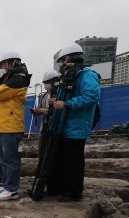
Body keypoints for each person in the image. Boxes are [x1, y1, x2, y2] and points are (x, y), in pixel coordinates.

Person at [48, 43, 101, 202]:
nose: (63, 64)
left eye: (64, 60)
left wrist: (67, 104)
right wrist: (56, 101)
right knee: (64, 160)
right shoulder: (71, 76)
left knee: (73, 161)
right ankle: (62, 188)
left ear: (73, 58)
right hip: (65, 126)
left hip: (76, 127)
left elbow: (91, 97)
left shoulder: (87, 75)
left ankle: (73, 192)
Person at [0, 51, 31, 200]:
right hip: (1, 125)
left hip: (10, 126)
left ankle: (11, 189)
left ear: (11, 63)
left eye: (2, 64)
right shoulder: (8, 80)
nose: (1, 68)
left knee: (10, 159)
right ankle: (5, 185)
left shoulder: (19, 79)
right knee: (3, 159)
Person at [30, 70, 60, 163]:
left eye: (47, 83)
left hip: (56, 129)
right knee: (42, 152)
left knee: (54, 154)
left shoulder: (60, 94)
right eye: (44, 83)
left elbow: (59, 111)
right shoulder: (45, 95)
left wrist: (44, 111)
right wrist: (37, 111)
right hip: (45, 128)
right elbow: (42, 109)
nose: (45, 85)